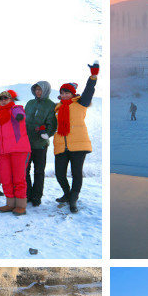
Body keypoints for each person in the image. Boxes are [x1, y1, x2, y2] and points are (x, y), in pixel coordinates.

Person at [53, 64, 99, 214]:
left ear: (73, 94)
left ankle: (73, 199)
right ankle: (67, 194)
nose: (65, 95)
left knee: (76, 173)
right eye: (63, 93)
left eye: (67, 93)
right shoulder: (57, 108)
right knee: (59, 173)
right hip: (61, 145)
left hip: (79, 146)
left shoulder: (81, 103)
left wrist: (93, 77)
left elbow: (88, 91)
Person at [0, 90, 31, 215]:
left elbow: (20, 113)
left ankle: (21, 205)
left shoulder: (15, 109)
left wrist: (20, 116)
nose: (3, 100)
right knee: (5, 178)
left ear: (10, 99)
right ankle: (10, 203)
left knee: (19, 178)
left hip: (19, 150)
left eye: (6, 98)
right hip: (4, 152)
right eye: (0, 98)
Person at [24, 82, 57, 207]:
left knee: (39, 171)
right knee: (25, 170)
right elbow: (23, 120)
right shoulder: (30, 103)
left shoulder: (50, 105)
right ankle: (27, 194)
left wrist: (46, 133)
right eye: (36, 89)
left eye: (40, 90)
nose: (38, 92)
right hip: (26, 143)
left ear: (46, 90)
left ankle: (37, 196)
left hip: (41, 144)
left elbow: (52, 124)